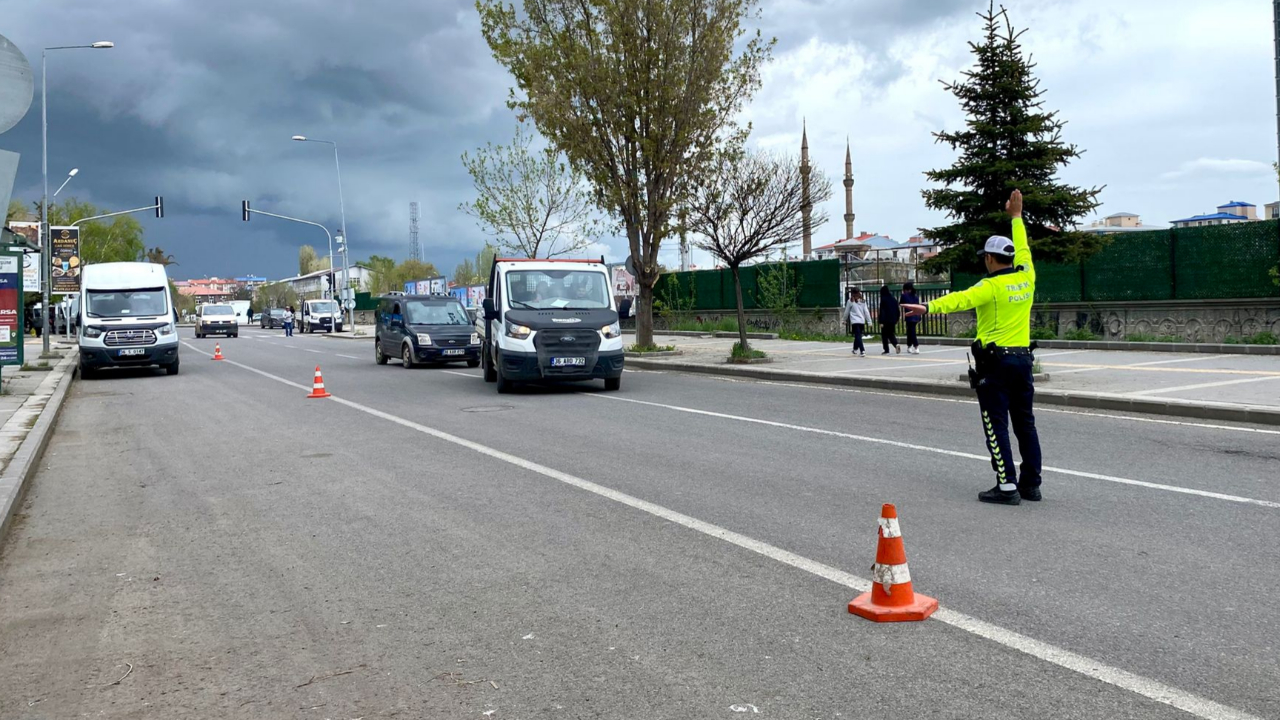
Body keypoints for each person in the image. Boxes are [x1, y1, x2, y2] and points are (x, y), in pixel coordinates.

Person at [903, 189, 1041, 506]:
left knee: (996, 425)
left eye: (985, 257)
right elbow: (1024, 249)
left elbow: (959, 299)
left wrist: (928, 308)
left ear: (990, 259)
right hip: (1023, 361)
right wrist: (1017, 218)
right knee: (1026, 424)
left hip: (996, 365)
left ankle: (1007, 487)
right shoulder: (1027, 277)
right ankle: (1031, 484)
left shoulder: (989, 286)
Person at [842, 288, 871, 356]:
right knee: (858, 335)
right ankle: (855, 349)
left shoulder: (850, 301)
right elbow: (866, 312)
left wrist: (844, 319)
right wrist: (869, 321)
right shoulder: (863, 301)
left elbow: (847, 311)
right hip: (861, 321)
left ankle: (862, 350)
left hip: (854, 321)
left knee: (858, 336)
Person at [878, 285, 901, 355]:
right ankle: (896, 344)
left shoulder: (883, 300)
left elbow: (882, 311)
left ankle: (886, 349)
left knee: (884, 335)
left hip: (885, 320)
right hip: (893, 320)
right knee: (891, 333)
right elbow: (897, 310)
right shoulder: (893, 299)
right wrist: (897, 318)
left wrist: (881, 321)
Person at [900, 282, 921, 354]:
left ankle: (916, 346)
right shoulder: (915, 296)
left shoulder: (904, 296)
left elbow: (901, 304)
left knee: (911, 331)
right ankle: (909, 346)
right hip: (916, 314)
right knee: (910, 331)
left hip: (909, 315)